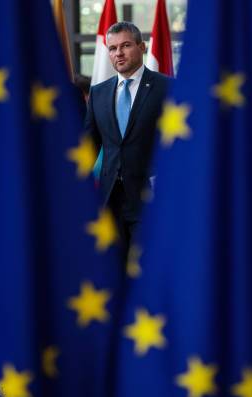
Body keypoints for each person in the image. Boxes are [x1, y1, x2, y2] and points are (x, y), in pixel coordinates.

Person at [84, 21, 169, 254]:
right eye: (112, 48)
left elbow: (177, 145)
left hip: (151, 198)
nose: (118, 53)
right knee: (114, 272)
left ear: (142, 47)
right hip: (109, 200)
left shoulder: (167, 88)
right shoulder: (98, 92)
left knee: (147, 267)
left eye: (125, 45)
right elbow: (88, 147)